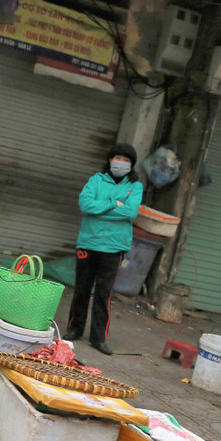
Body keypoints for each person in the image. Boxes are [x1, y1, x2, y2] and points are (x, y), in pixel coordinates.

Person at [66, 143, 143, 355]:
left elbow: (131, 211)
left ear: (131, 164)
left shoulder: (135, 186)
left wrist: (101, 208)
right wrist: (114, 203)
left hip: (115, 246)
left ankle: (98, 339)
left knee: (103, 292)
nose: (122, 163)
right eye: (118, 158)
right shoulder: (95, 180)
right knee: (82, 288)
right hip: (89, 242)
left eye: (127, 160)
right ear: (110, 160)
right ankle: (74, 329)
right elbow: (85, 205)